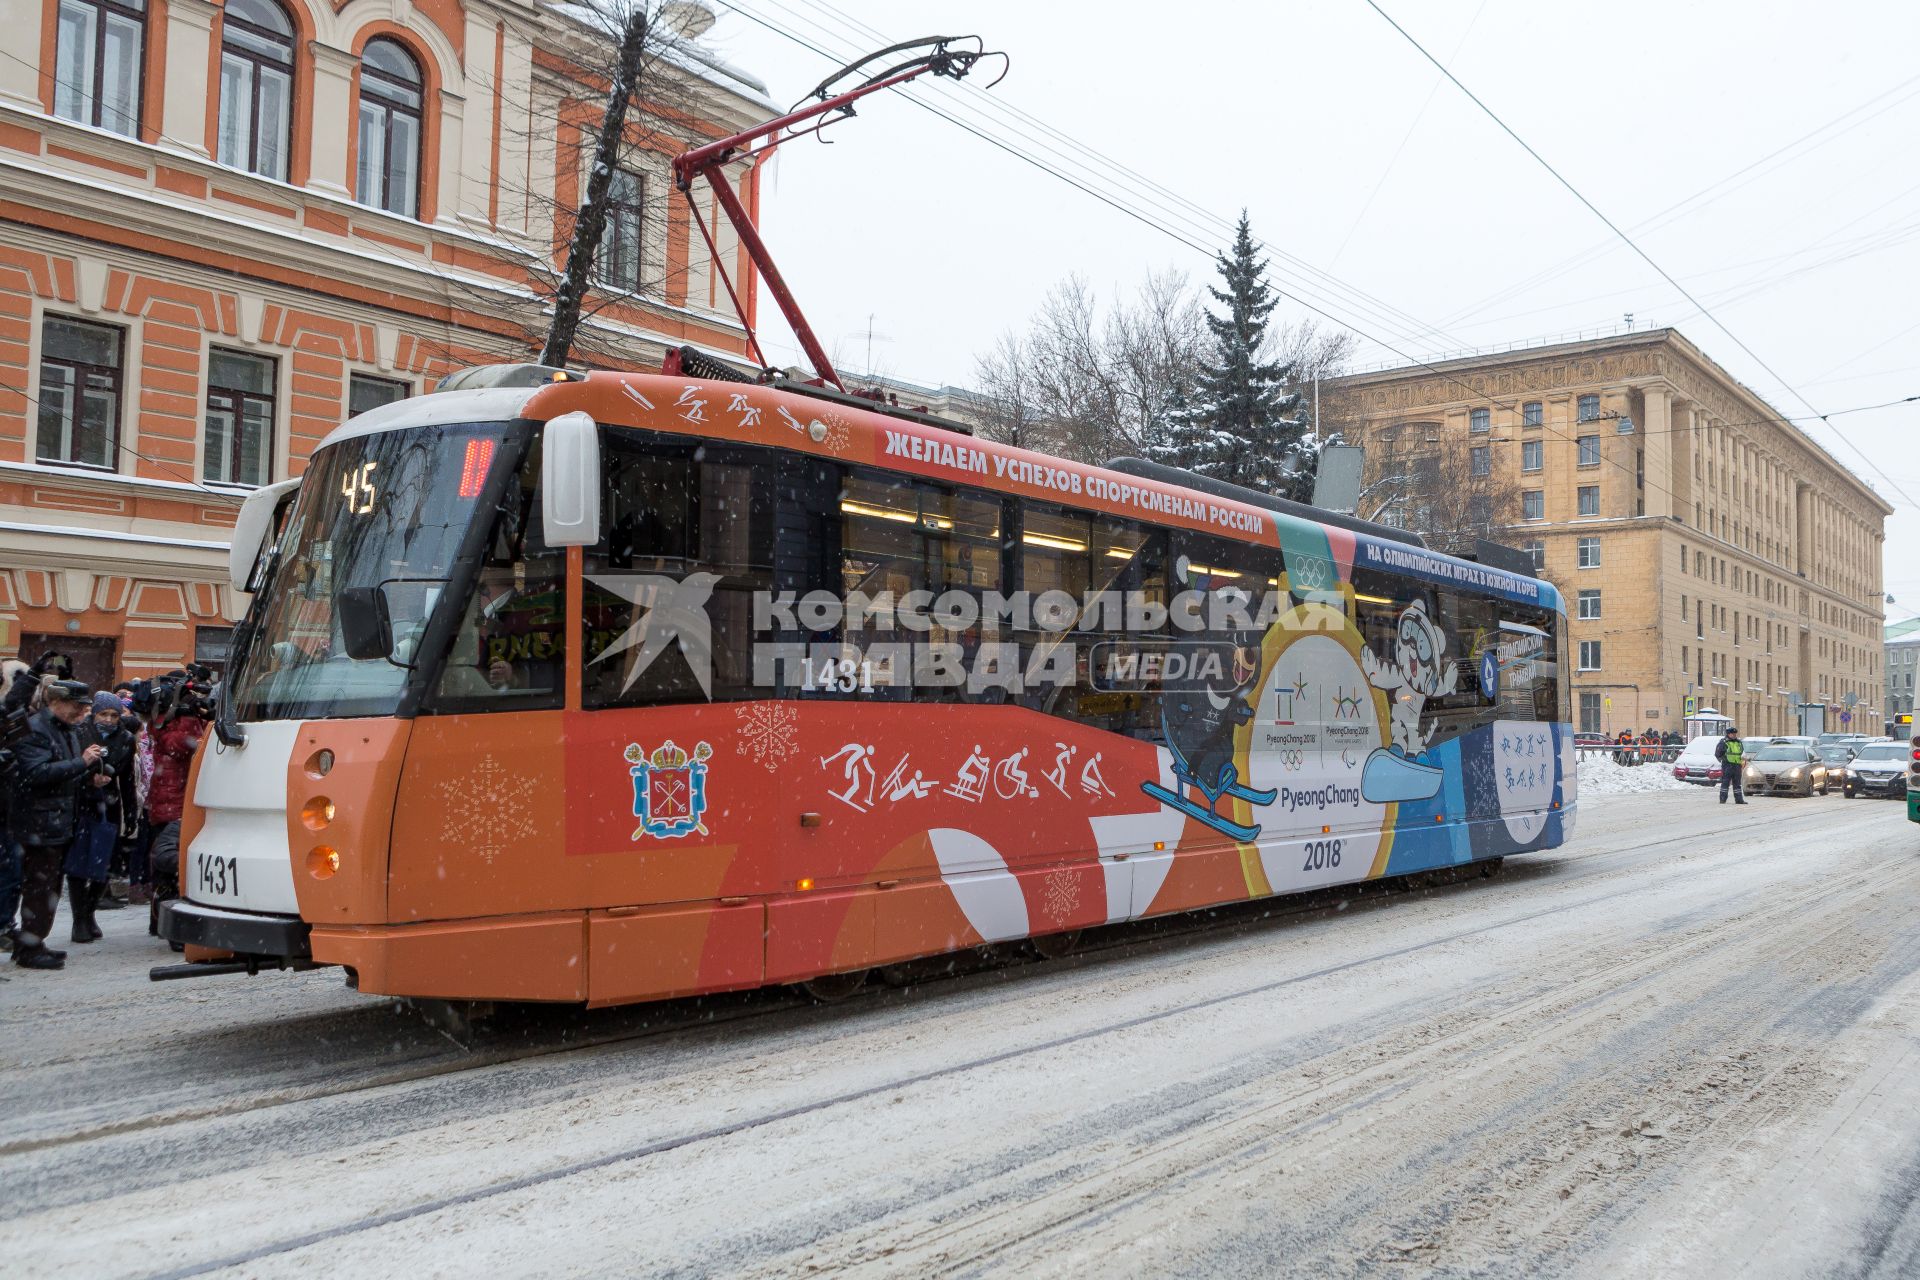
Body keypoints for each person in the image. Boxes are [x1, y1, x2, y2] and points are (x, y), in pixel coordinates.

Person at [10, 680, 106, 969]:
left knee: (48, 887)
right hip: (38, 824)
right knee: (39, 888)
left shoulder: (65, 730)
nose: (82, 713)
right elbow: (35, 774)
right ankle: (29, 948)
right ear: (57, 702)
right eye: (77, 706)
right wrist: (82, 764)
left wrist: (89, 777)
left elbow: (62, 774)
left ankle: (34, 942)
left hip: (57, 822)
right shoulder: (36, 728)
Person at [67, 692, 135, 942]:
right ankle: (79, 919)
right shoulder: (79, 732)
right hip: (82, 803)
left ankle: (89, 912)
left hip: (109, 804)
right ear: (94, 713)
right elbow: (70, 768)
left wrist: (131, 812)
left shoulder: (125, 739)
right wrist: (88, 778)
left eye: (114, 715)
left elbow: (127, 779)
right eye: (104, 714)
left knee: (103, 864)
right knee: (79, 864)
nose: (108, 720)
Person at [146, 689, 203, 936]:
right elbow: (186, 746)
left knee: (164, 868)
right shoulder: (174, 730)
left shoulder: (162, 725)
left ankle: (159, 921)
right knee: (171, 867)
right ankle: (167, 923)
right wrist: (191, 717)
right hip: (174, 805)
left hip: (167, 803)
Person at [1714, 726, 1747, 805]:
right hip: (1727, 765)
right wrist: (1724, 759)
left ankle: (1739, 800)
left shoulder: (1738, 742)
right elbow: (1718, 754)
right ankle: (1723, 799)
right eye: (1733, 734)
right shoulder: (1724, 742)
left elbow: (1741, 752)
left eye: (1735, 733)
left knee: (1737, 784)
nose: (1734, 735)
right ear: (1728, 734)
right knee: (1725, 783)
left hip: (1737, 765)